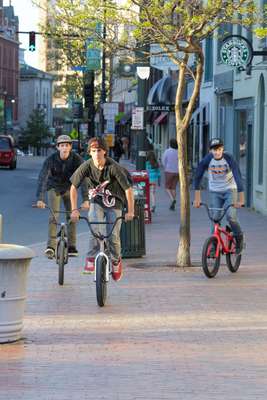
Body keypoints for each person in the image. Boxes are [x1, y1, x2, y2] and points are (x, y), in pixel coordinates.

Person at [70, 137, 134, 281]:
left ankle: (116, 260)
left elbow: (129, 190)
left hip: (115, 202)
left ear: (105, 151)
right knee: (95, 229)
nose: (96, 154)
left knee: (113, 236)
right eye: (93, 151)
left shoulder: (113, 167)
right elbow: (73, 187)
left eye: (99, 150)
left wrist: (131, 212)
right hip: (97, 202)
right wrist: (74, 209)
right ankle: (91, 258)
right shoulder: (86, 166)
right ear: (89, 153)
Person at [36, 135, 88, 259]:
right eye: (62, 145)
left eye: (67, 145)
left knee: (73, 215)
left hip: (70, 188)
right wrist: (40, 199)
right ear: (58, 147)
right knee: (54, 215)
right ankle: (51, 247)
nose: (64, 148)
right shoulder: (51, 159)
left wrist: (86, 199)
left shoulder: (77, 159)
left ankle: (72, 246)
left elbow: (84, 179)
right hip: (54, 187)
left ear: (70, 147)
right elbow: (43, 178)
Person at [193, 137, 244, 254]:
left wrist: (241, 199)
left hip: (230, 190)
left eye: (219, 149)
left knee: (231, 216)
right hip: (215, 192)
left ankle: (239, 237)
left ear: (222, 149)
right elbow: (198, 177)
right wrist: (197, 198)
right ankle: (214, 245)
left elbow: (238, 176)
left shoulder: (229, 158)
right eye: (214, 150)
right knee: (215, 218)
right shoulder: (208, 159)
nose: (217, 152)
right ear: (210, 150)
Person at [162, 138, 179, 210]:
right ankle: (173, 205)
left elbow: (163, 160)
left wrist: (165, 167)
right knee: (173, 188)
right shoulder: (179, 152)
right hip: (177, 171)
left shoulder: (167, 151)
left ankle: (172, 199)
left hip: (169, 171)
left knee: (167, 187)